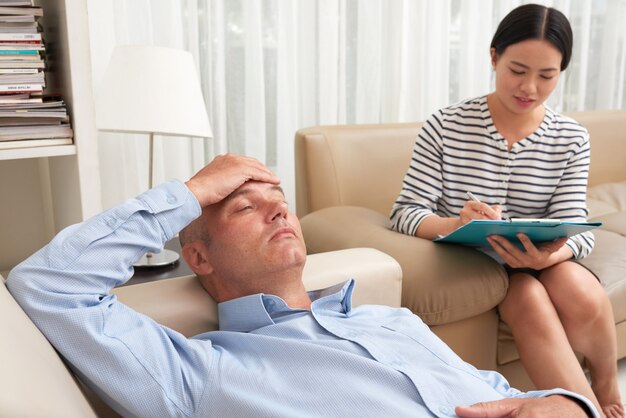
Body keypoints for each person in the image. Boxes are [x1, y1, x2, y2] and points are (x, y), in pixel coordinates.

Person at [8, 153, 598, 417]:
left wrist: (569, 406)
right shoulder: (199, 376)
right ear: (198, 257)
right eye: (242, 207)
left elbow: (495, 389)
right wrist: (189, 193)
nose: (279, 213)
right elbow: (48, 285)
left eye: (281, 202)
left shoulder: (388, 320)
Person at [389, 4, 622, 418]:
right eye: (517, 70)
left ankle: (607, 386)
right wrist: (455, 222)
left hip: (543, 257)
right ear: (494, 56)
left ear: (561, 72)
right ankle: (582, 409)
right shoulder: (445, 126)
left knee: (578, 287)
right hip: (479, 263)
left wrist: (551, 254)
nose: (529, 87)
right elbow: (405, 212)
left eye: (547, 76)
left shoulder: (571, 138)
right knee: (527, 295)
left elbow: (581, 230)